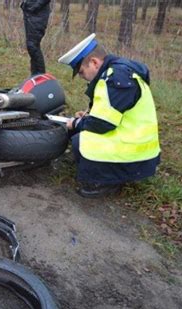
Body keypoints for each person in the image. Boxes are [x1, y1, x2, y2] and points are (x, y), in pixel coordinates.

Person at [58, 33, 161, 198]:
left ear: (94, 62)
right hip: (137, 144)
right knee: (81, 131)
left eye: (82, 72)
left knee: (80, 140)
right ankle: (105, 173)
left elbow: (102, 124)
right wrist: (88, 114)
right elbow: (113, 108)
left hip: (136, 152)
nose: (82, 77)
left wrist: (76, 123)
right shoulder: (117, 72)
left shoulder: (116, 78)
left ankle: (105, 183)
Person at [20, 0, 51, 76]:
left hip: (38, 14)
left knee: (33, 45)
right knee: (31, 46)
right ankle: (35, 75)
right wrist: (25, 4)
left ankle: (40, 75)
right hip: (30, 13)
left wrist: (35, 7)